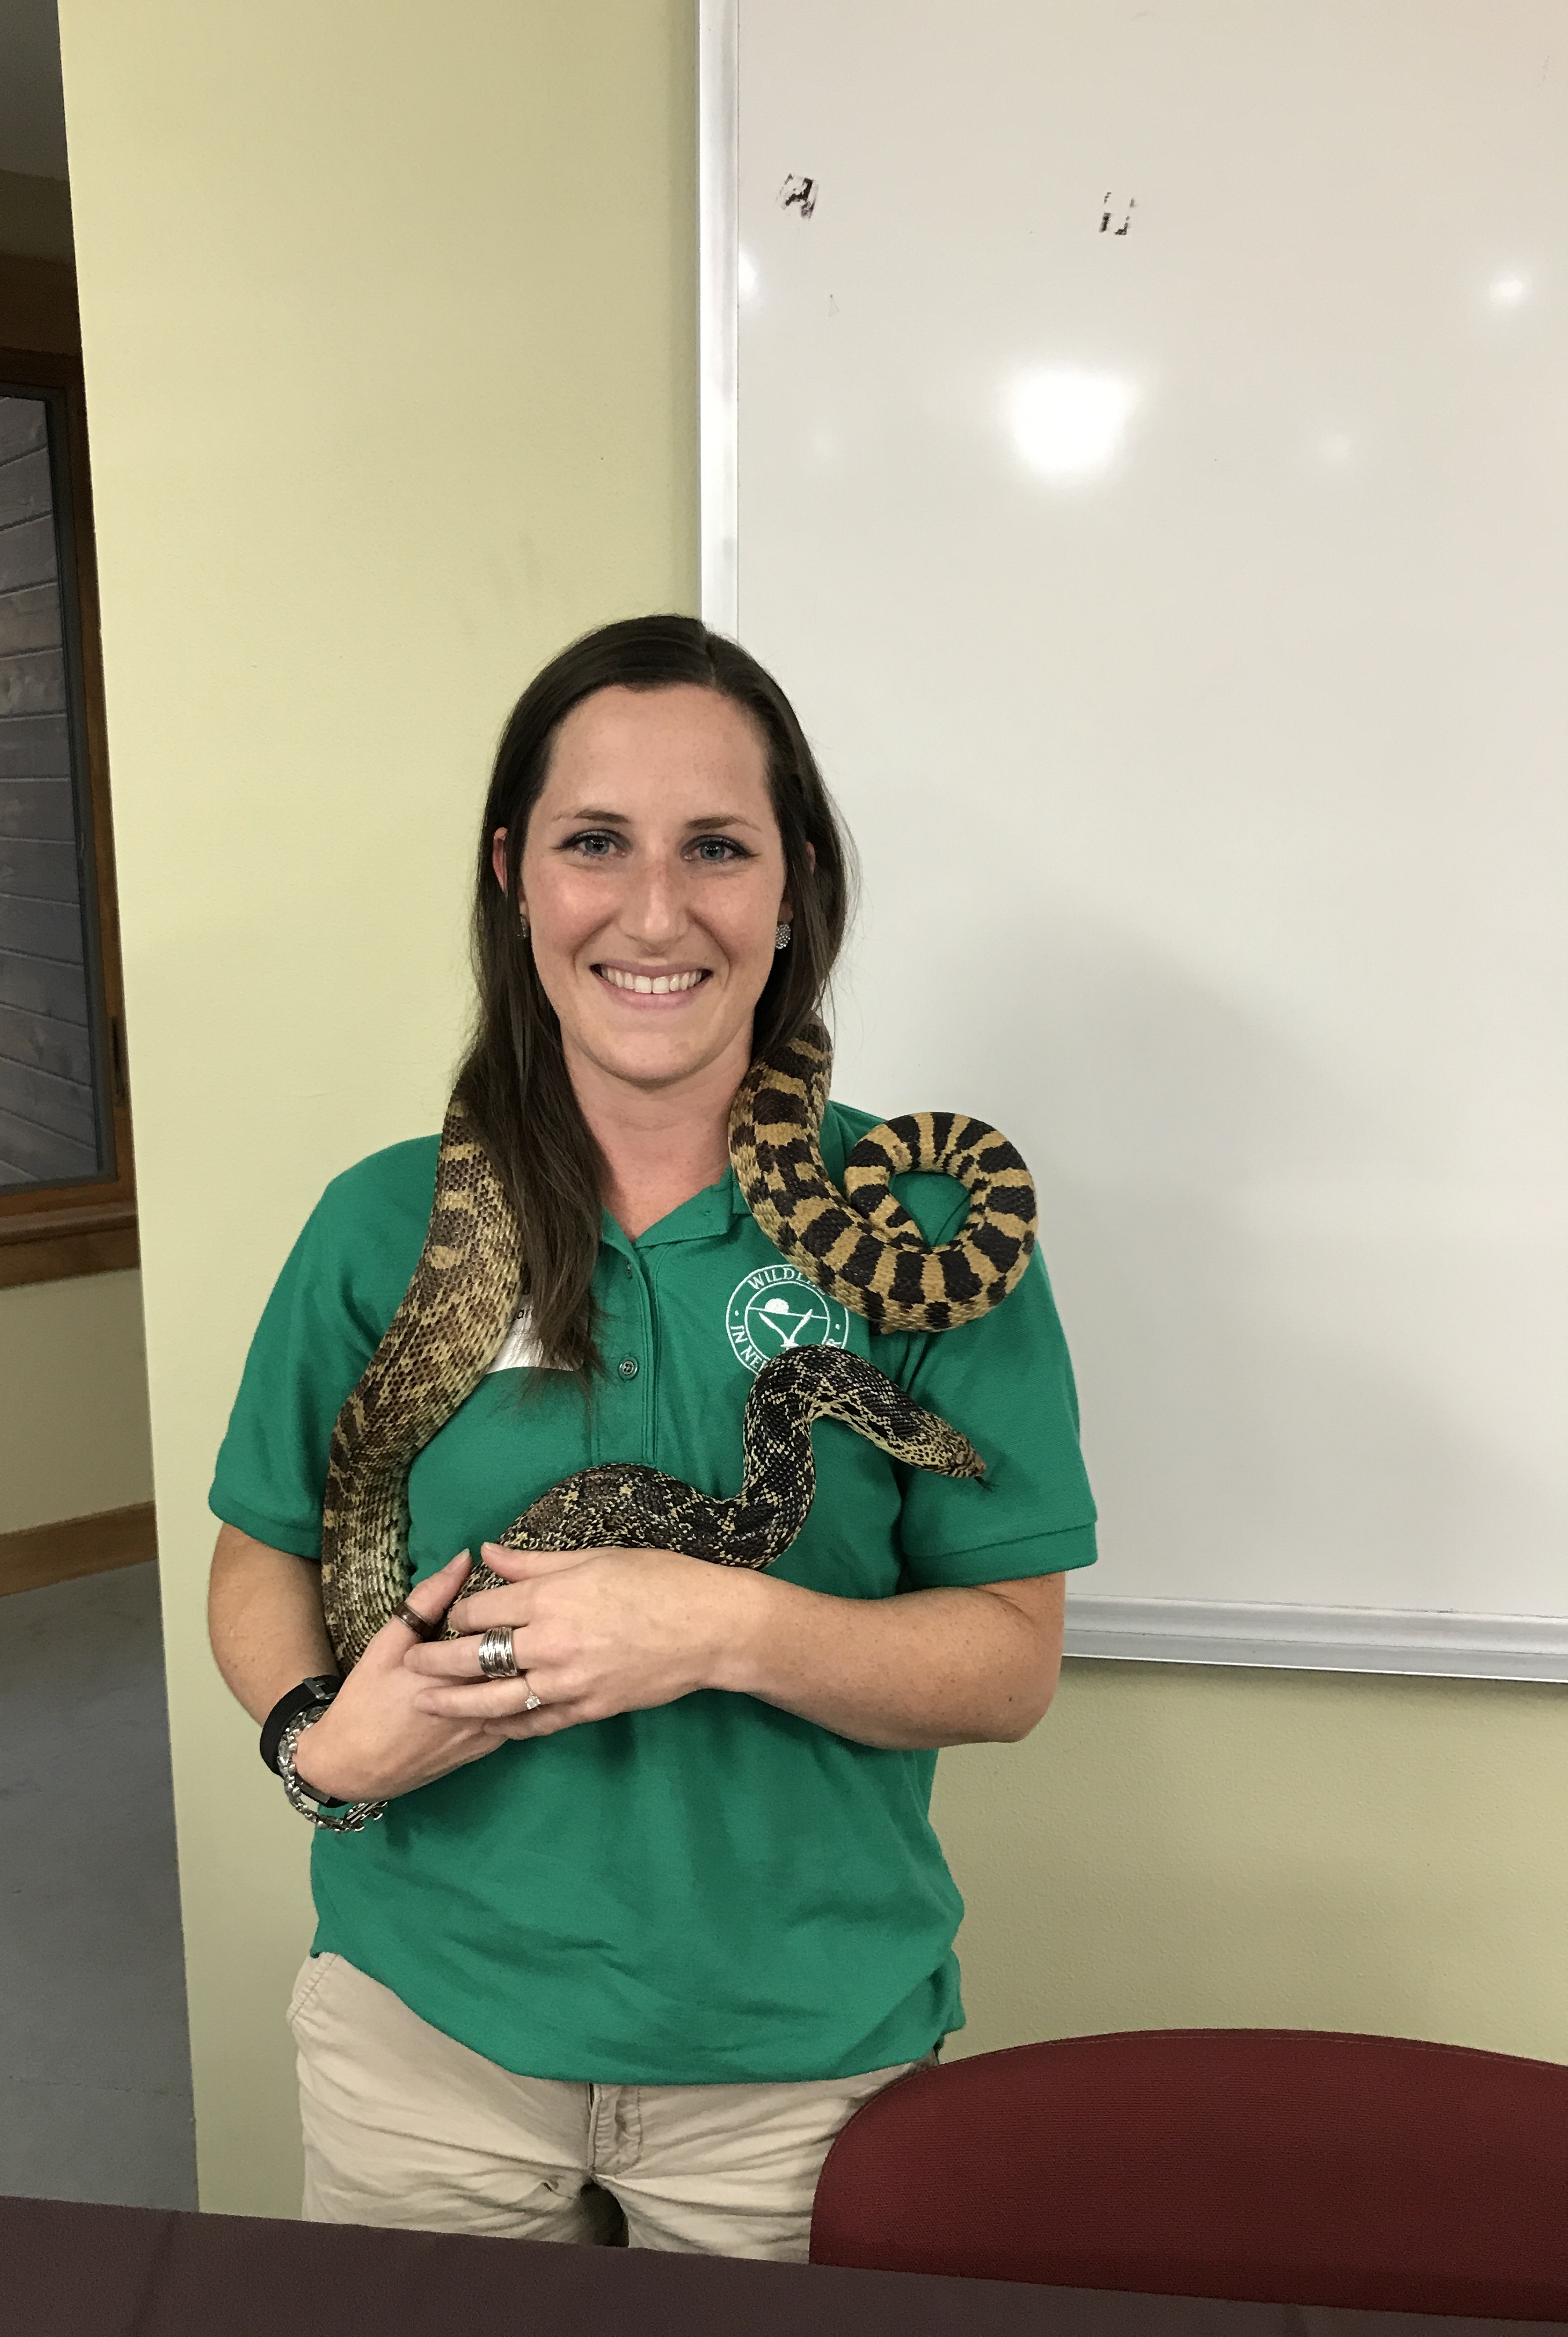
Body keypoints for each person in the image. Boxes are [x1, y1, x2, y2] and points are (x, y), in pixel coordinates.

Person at [206, 615, 1096, 2258]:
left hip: (798, 2068)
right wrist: (314, 1743)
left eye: (719, 848)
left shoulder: (911, 1228)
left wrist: (722, 1627)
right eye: (596, 842)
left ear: (794, 884)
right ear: (514, 876)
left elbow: (1007, 1668)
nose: (657, 910)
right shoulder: (384, 1223)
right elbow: (265, 1551)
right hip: (427, 2038)